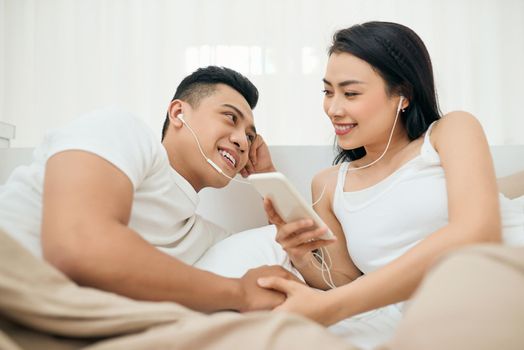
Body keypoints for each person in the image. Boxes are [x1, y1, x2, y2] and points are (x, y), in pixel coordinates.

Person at [255, 21, 524, 347]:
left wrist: (328, 308)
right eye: (328, 92)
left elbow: (477, 233)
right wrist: (300, 256)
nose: (333, 108)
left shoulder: (450, 132)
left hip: (501, 275)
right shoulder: (328, 185)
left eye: (350, 93)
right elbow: (345, 283)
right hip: (429, 313)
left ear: (403, 96)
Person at [0, 65, 297, 313]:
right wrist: (238, 293)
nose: (242, 142)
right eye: (230, 118)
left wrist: (269, 177)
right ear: (178, 113)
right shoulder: (121, 130)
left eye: (249, 136)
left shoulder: (202, 238)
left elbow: (288, 248)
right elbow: (78, 247)